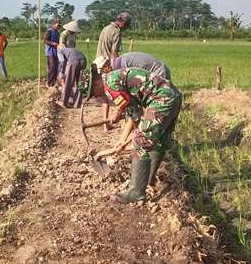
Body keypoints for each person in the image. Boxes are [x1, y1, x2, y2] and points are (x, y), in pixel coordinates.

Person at [84, 67, 182, 203]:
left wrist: (137, 137)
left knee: (141, 141)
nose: (96, 96)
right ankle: (148, 179)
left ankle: (136, 192)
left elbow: (135, 116)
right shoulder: (114, 77)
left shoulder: (111, 87)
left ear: (96, 83)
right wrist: (122, 140)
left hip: (161, 100)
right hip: (173, 95)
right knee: (158, 140)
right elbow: (133, 113)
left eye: (93, 93)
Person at [43, 19, 61, 87]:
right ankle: (49, 83)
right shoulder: (49, 31)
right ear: (54, 24)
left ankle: (54, 82)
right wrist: (53, 43)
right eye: (58, 25)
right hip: (50, 52)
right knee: (52, 67)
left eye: (59, 25)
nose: (58, 26)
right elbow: (45, 41)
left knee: (56, 68)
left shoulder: (58, 33)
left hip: (56, 52)